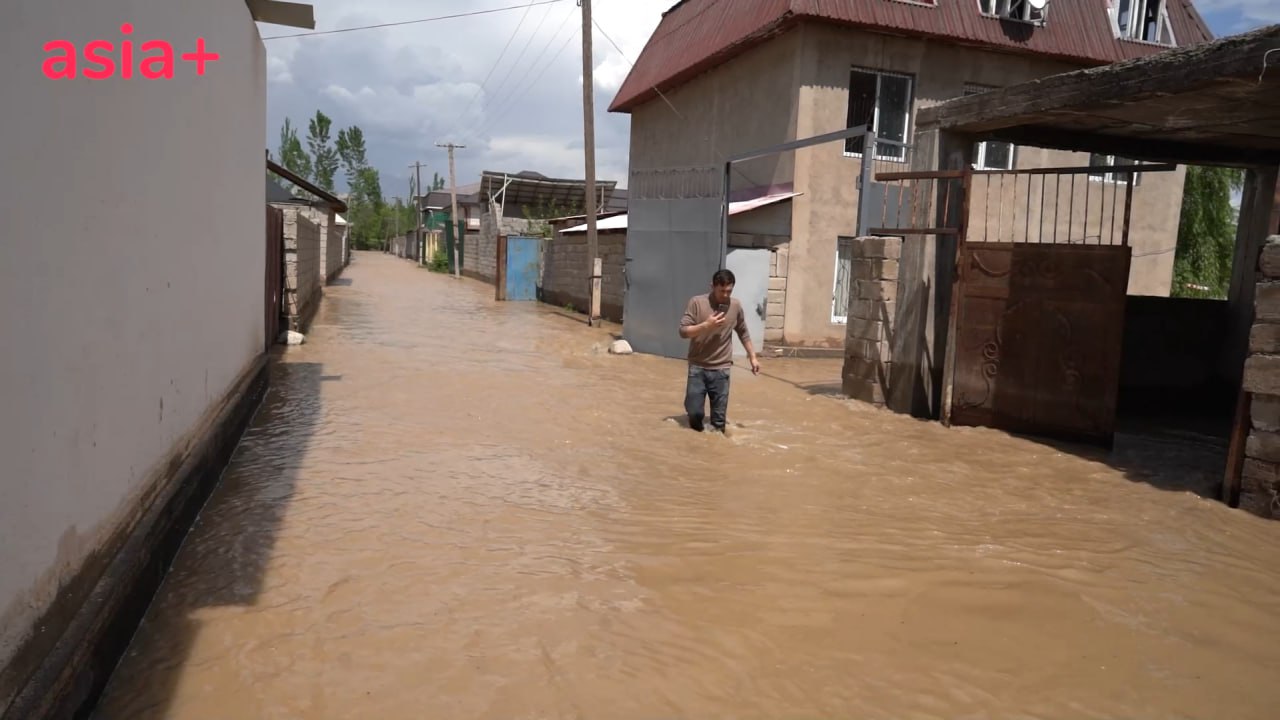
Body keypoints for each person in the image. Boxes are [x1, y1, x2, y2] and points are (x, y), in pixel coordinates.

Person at [678, 269, 761, 433]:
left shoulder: (735, 305)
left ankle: (713, 453)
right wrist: (706, 325)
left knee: (719, 422)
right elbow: (682, 331)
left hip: (721, 369)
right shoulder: (697, 303)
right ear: (712, 286)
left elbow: (743, 332)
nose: (725, 294)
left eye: (729, 291)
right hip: (698, 367)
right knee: (694, 414)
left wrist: (753, 357)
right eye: (721, 290)